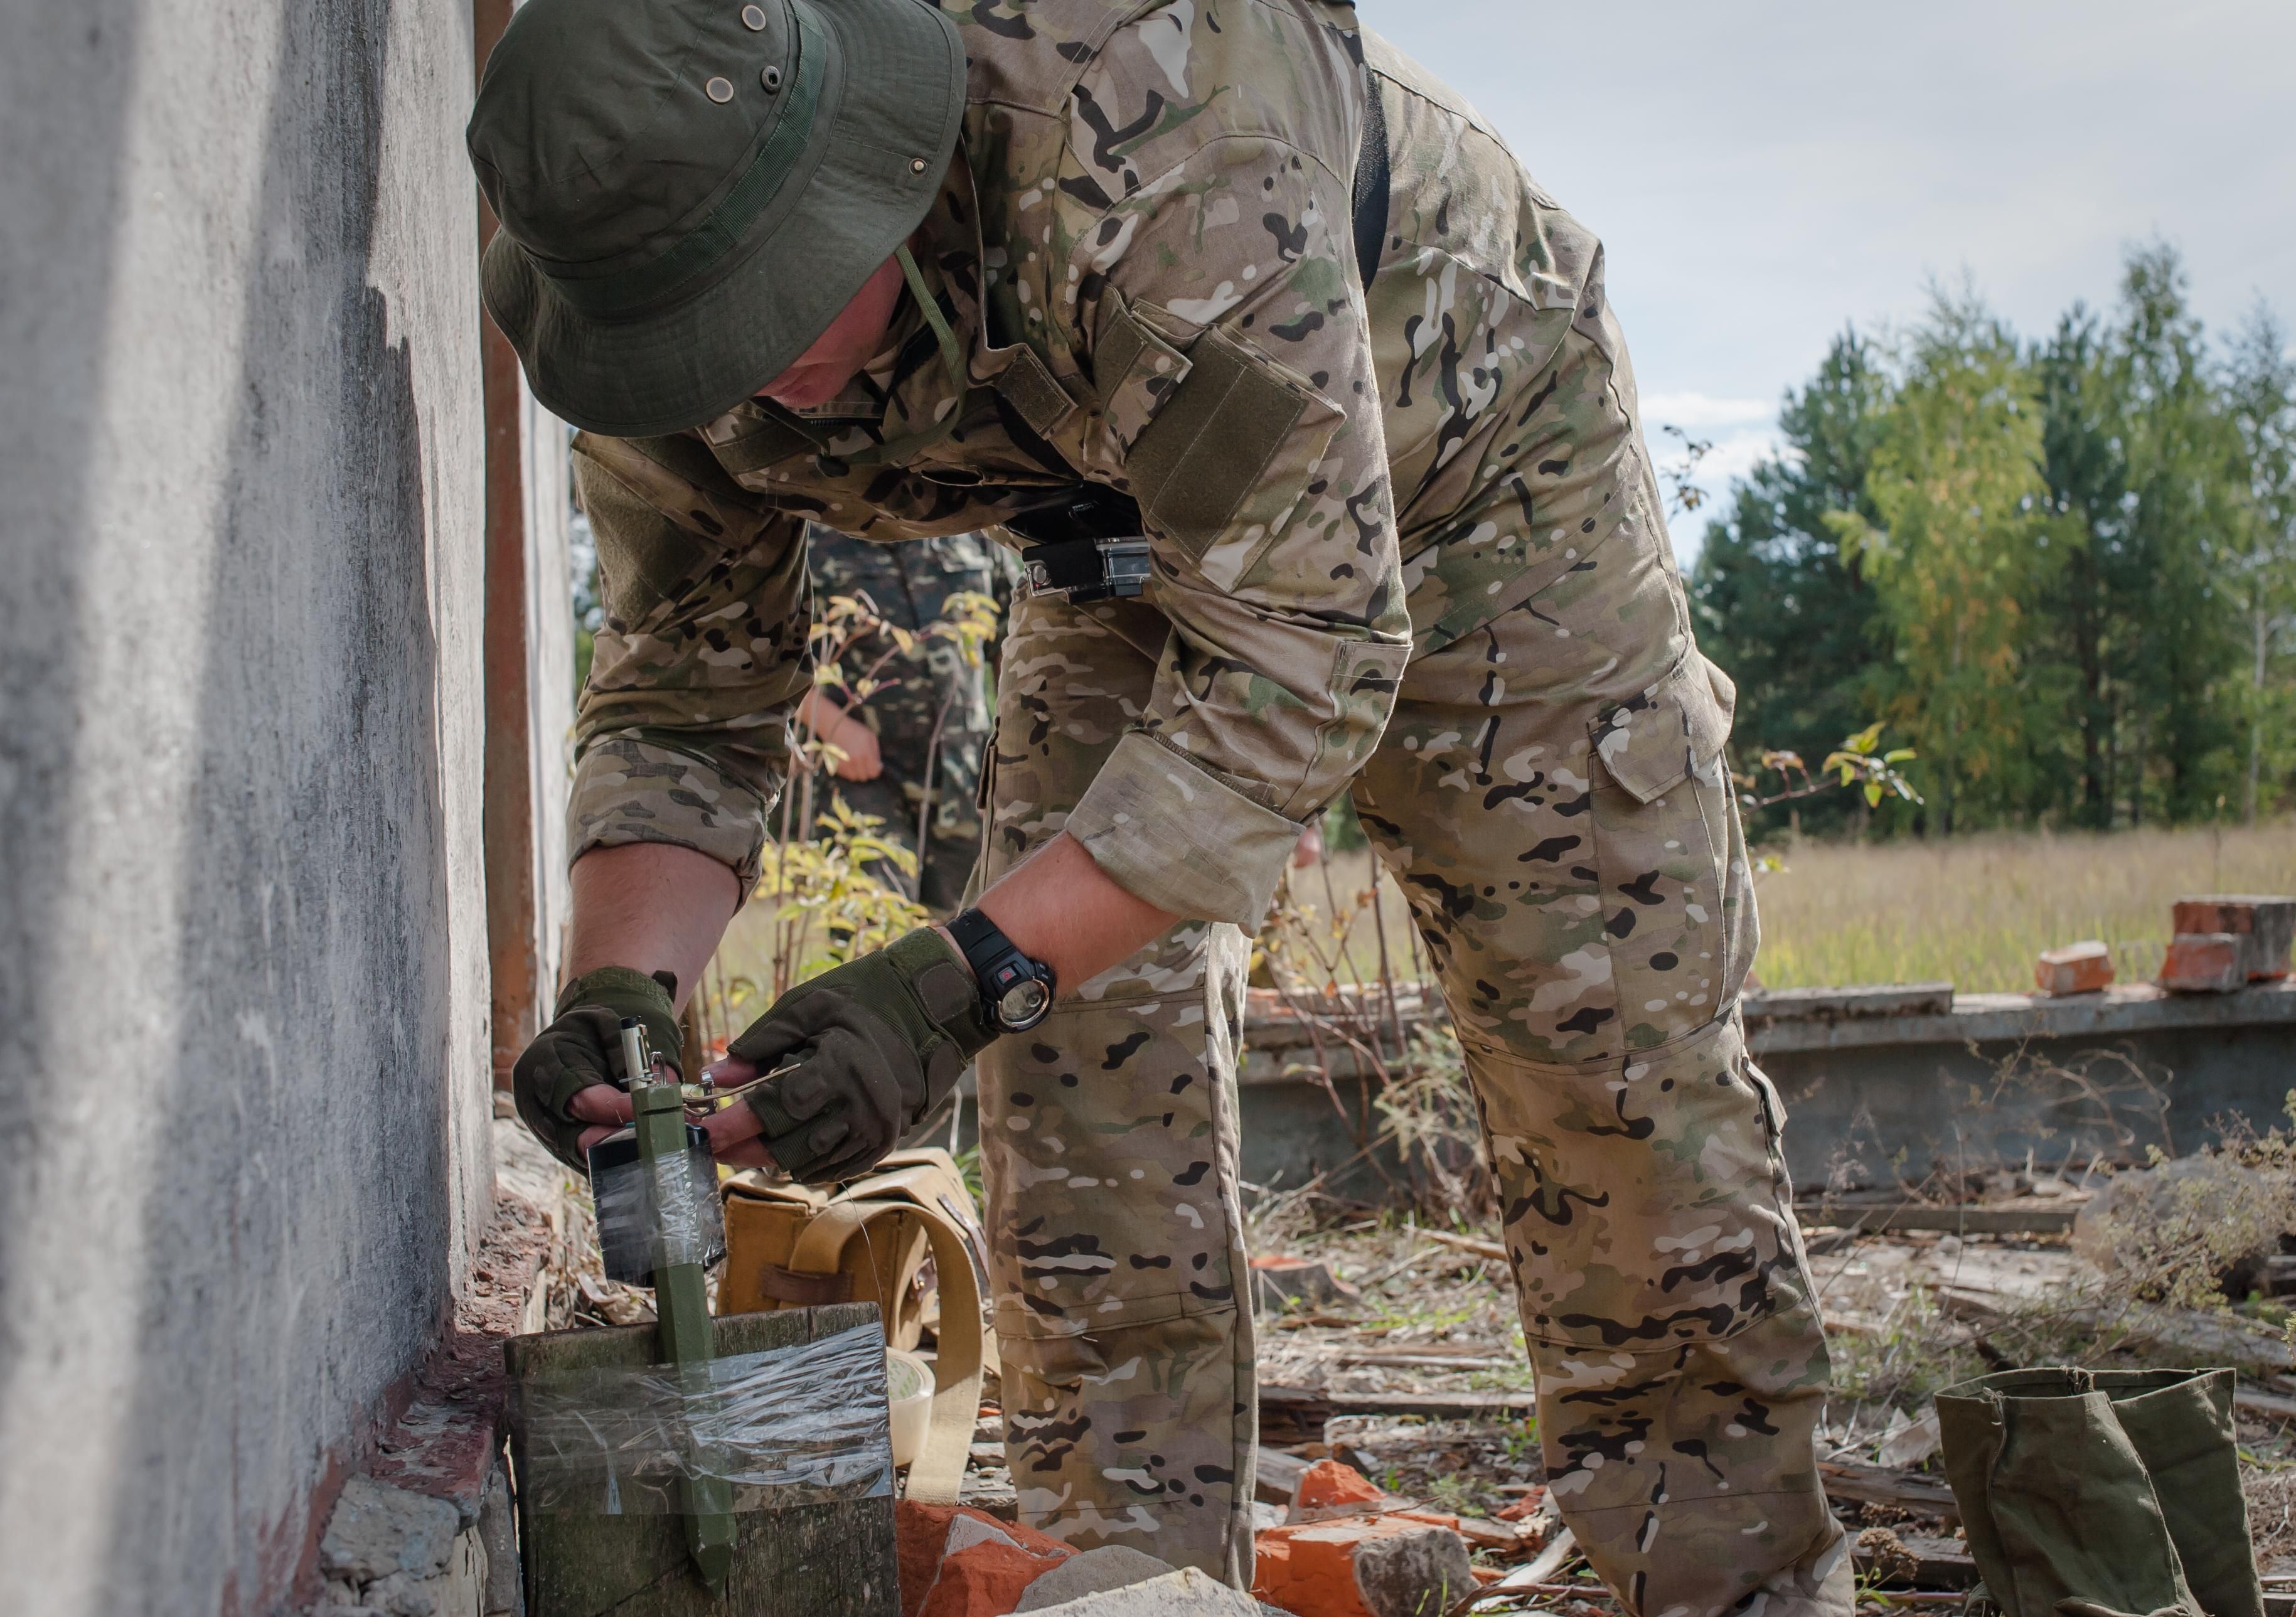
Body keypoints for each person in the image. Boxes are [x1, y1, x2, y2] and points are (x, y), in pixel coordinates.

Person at [472, 1, 1849, 1608]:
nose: (750, 377)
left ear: (865, 166)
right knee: (1079, 1113)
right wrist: (623, 988)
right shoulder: (647, 307)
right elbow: (686, 695)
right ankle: (1124, 1587)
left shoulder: (1152, 117)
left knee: (1607, 1072)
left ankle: (1728, 1582)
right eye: (693, 337)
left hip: (1479, 472)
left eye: (769, 302)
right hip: (1116, 537)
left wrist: (947, 980)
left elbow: (1307, 656)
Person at [794, 523, 1010, 917]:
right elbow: (766, 655)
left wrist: (1011, 742)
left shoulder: (974, 530)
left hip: (969, 782)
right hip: (864, 781)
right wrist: (831, 725)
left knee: (968, 938)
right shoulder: (811, 537)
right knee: (870, 934)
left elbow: (1012, 641)